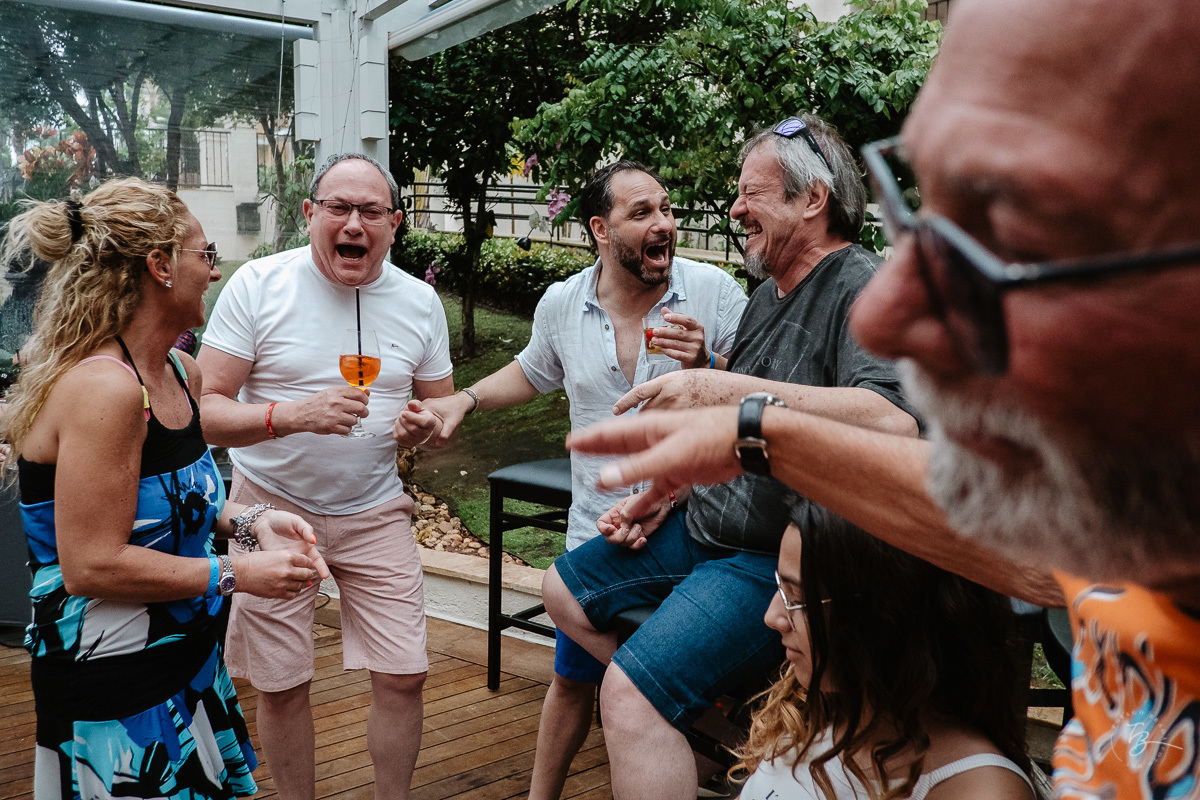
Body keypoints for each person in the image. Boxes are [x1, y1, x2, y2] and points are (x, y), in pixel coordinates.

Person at [567, 0, 1200, 794]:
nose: (889, 312)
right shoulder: (1142, 554)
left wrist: (734, 406)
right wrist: (748, 436)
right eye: (923, 213)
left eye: (1017, 219)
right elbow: (1049, 558)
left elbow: (893, 421)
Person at [542, 115, 919, 800]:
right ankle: (724, 729)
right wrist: (667, 493)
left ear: (814, 199)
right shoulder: (767, 296)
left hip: (768, 557)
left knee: (627, 697)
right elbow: (742, 431)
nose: (736, 209)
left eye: (752, 194)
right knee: (562, 592)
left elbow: (892, 420)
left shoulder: (864, 287)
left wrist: (723, 388)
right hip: (701, 527)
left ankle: (668, 709)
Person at [397, 161, 747, 799]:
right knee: (571, 681)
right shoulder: (563, 303)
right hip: (599, 529)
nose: (663, 224)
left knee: (680, 681)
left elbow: (765, 394)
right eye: (641, 212)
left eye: (666, 209)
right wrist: (464, 400)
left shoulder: (714, 292)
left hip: (691, 528)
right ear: (600, 230)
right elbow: (532, 370)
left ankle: (680, 737)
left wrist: (709, 362)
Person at [0, 178, 329, 800]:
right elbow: (91, 564)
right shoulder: (104, 389)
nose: (215, 271)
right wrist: (237, 574)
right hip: (114, 683)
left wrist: (253, 520)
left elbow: (175, 501)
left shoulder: (181, 371)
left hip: (188, 664)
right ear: (160, 266)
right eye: (206, 254)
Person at [196, 153, 455, 800]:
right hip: (269, 509)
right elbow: (202, 412)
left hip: (376, 508)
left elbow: (441, 408)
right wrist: (291, 415)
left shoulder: (420, 301)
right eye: (339, 208)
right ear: (310, 214)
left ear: (395, 223)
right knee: (282, 683)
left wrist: (424, 427)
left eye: (371, 211)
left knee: (404, 674)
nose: (354, 224)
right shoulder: (259, 284)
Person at [738, 518, 1033, 800]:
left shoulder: (977, 789)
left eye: (798, 599)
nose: (772, 617)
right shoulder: (812, 699)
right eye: (781, 587)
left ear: (885, 615)